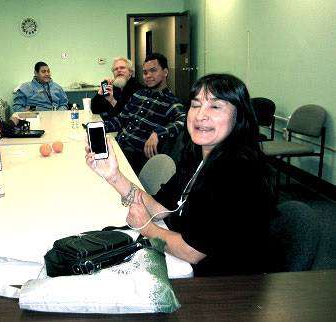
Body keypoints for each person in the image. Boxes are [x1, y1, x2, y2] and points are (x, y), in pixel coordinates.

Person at [86, 73, 277, 277]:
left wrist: (146, 227)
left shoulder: (237, 171)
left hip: (225, 289)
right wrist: (113, 175)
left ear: (239, 115)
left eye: (215, 106)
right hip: (190, 270)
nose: (200, 115)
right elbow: (159, 208)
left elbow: (191, 251)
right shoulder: (199, 158)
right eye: (195, 105)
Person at [103, 53, 185, 175]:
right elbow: (120, 120)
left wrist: (158, 133)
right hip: (118, 146)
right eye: (145, 72)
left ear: (165, 72)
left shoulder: (170, 102)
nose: (148, 76)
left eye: (153, 71)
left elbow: (184, 120)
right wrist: (98, 127)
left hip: (135, 158)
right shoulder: (138, 95)